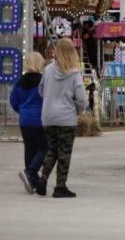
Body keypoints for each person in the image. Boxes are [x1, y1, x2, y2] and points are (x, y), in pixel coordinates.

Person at [37, 38, 87, 197]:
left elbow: (41, 91)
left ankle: (43, 179)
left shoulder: (48, 70)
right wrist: (79, 111)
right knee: (64, 152)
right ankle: (60, 186)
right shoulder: (74, 73)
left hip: (48, 116)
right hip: (66, 117)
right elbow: (81, 98)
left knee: (52, 150)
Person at [10, 52, 47, 193]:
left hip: (24, 119)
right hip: (39, 119)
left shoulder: (20, 81)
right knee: (44, 148)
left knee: (29, 149)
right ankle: (30, 173)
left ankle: (32, 181)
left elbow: (13, 101)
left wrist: (22, 110)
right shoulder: (43, 81)